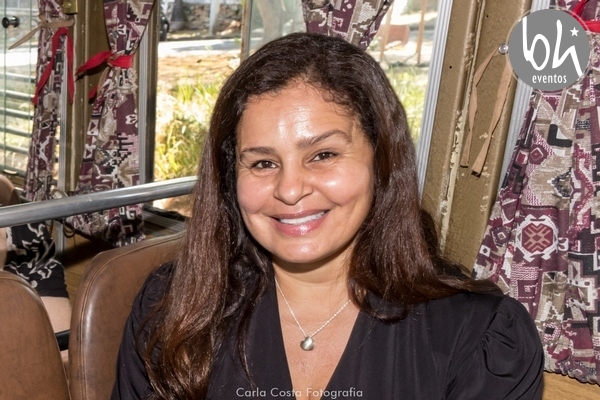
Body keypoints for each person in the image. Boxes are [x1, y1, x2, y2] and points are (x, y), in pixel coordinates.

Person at [112, 32, 543, 399]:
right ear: (230, 178)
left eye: (323, 155)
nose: (290, 189)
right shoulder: (174, 309)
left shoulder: (480, 339)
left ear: (382, 161)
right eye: (263, 163)